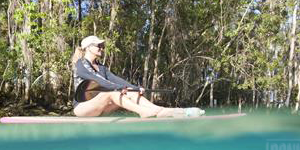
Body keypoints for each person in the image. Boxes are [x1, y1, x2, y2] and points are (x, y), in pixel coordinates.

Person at [72, 35, 203, 118]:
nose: (102, 48)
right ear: (88, 48)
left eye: (102, 46)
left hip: (101, 107)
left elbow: (117, 80)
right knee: (113, 92)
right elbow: (98, 81)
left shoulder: (102, 68)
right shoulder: (80, 65)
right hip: (83, 108)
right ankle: (142, 111)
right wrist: (119, 88)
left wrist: (134, 88)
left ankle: (163, 111)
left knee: (131, 92)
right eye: (99, 46)